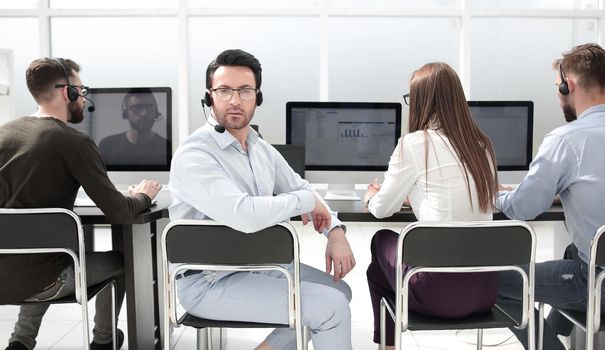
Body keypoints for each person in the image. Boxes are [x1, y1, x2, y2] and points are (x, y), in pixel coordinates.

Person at [169, 49, 356, 350]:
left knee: (339, 291)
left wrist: (334, 231)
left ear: (257, 97)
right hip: (209, 282)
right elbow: (245, 215)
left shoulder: (259, 148)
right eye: (224, 90)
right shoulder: (195, 154)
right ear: (209, 97)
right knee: (330, 306)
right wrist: (305, 201)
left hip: (255, 264)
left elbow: (302, 186)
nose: (234, 100)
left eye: (244, 90)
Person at [0, 58, 162, 350]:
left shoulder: (3, 134)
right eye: (81, 89)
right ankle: (103, 341)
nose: (84, 97)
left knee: (40, 255)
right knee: (122, 262)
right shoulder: (73, 142)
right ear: (67, 92)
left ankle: (21, 342)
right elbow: (119, 211)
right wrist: (144, 195)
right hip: (47, 281)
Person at [363, 62, 499, 349]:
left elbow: (382, 209)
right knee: (378, 273)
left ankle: (387, 345)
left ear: (422, 101)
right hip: (485, 293)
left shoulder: (414, 144)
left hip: (439, 296)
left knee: (380, 241)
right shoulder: (482, 145)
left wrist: (371, 195)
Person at [496, 43, 605, 350]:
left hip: (600, 283)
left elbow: (521, 208)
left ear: (567, 85)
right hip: (598, 267)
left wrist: (492, 195)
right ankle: (558, 335)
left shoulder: (566, 140)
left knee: (496, 283)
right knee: (574, 251)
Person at [98, 88, 168, 166]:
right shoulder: (107, 145)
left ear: (155, 111)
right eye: (137, 108)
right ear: (126, 112)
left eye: (149, 107)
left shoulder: (166, 146)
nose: (144, 113)